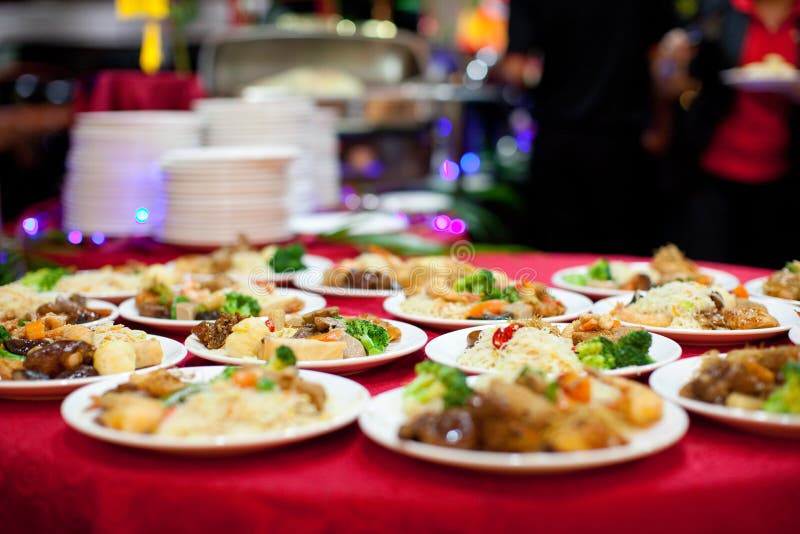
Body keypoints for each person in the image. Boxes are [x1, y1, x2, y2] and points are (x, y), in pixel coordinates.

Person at [503, 1, 680, 255]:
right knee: (624, 255)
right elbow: (663, 59)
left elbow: (516, 70)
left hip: (557, 137)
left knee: (559, 253)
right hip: (624, 143)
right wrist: (663, 126)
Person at [661, 0, 800, 268]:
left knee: (772, 270)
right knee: (708, 265)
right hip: (713, 164)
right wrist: (672, 61)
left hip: (785, 172)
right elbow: (678, 84)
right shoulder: (720, 10)